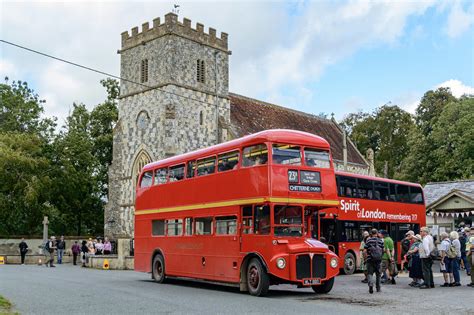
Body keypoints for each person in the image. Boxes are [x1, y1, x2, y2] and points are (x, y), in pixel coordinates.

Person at [364, 228, 384, 294]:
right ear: (377, 233)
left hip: (370, 260)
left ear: (371, 233)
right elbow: (383, 250)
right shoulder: (380, 241)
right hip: (378, 260)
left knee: (370, 273)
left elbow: (364, 251)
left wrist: (365, 258)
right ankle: (378, 288)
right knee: (378, 275)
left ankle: (370, 285)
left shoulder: (368, 241)